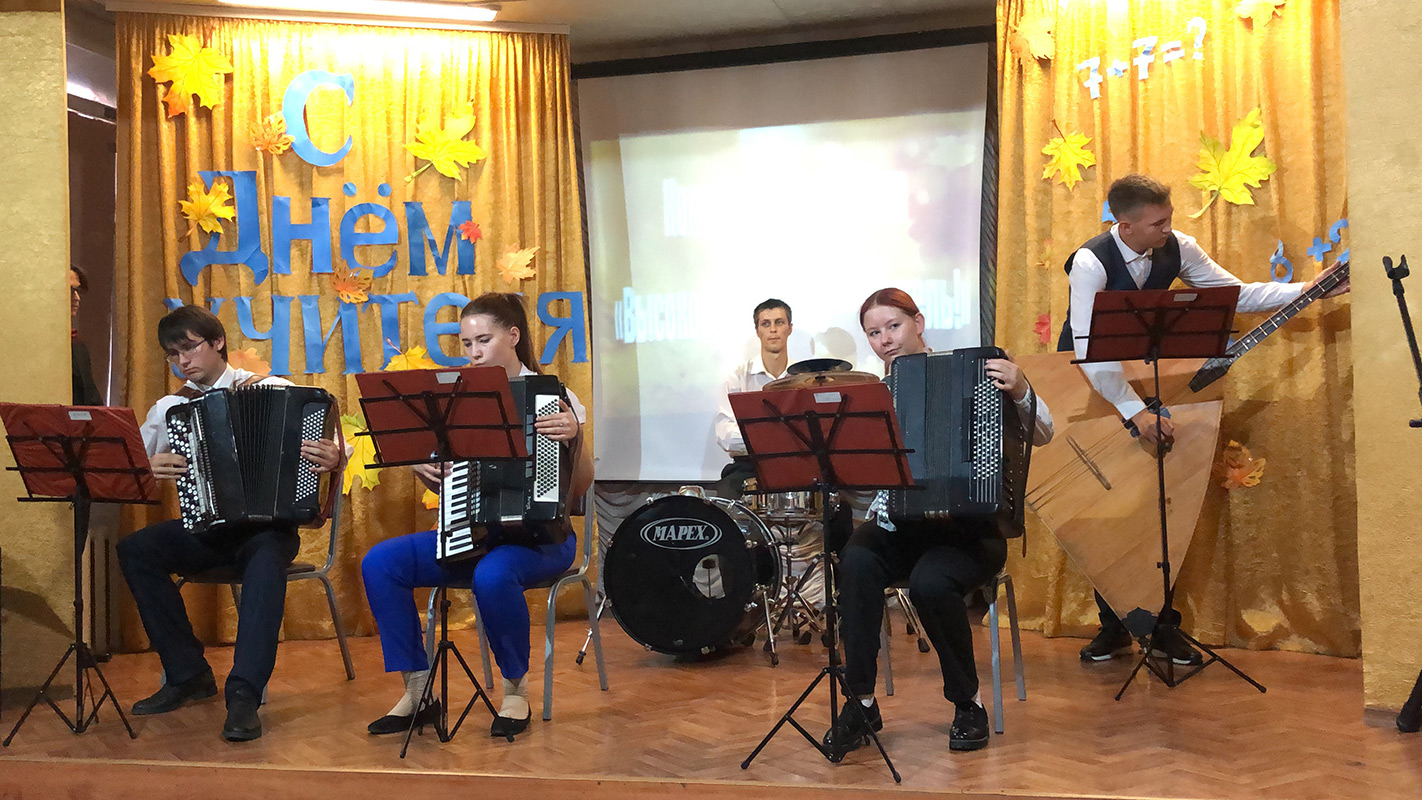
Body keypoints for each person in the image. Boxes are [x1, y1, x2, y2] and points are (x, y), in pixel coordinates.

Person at [1061, 173, 1349, 666]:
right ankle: (1114, 626)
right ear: (1125, 226)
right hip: (1089, 385)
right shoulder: (1090, 262)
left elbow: (1235, 294)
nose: (1167, 229)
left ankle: (1160, 627)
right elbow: (1090, 351)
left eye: (1168, 218)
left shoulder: (1178, 246)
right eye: (1157, 223)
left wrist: (1307, 289)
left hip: (1146, 379)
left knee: (1155, 505)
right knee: (1106, 508)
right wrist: (1134, 412)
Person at [825, 288, 1054, 754]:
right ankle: (861, 701)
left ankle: (968, 703)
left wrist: (1022, 389)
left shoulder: (977, 371)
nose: (886, 340)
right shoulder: (874, 394)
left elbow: (1044, 433)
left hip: (970, 532)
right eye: (874, 333)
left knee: (931, 583)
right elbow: (866, 484)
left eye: (894, 326)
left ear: (919, 322)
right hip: (901, 527)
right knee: (857, 561)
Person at [361, 292, 593, 738]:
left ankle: (516, 690)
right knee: (381, 563)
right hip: (470, 532)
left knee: (492, 575)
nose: (474, 353)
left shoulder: (554, 396)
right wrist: (424, 468)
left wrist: (575, 437)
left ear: (513, 336)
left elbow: (579, 487)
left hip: (542, 539)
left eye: (483, 340)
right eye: (467, 344)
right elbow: (449, 485)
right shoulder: (453, 400)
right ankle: (418, 691)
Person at [117, 305, 342, 741]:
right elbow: (128, 466)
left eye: (189, 348)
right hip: (208, 531)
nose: (182, 361)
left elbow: (334, 448)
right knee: (136, 548)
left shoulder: (274, 389)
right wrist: (147, 468)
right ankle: (187, 674)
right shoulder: (171, 408)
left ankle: (243, 695)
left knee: (264, 561)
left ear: (217, 342)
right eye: (172, 354)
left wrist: (332, 456)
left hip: (269, 530)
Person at [714, 298, 793, 496]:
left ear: (789, 329)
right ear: (758, 331)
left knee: (835, 502)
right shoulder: (738, 376)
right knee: (727, 493)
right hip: (748, 466)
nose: (773, 329)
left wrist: (757, 435)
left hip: (795, 463)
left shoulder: (802, 377)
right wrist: (776, 438)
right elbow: (725, 435)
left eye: (779, 322)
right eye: (766, 324)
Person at [69, 265, 102, 406]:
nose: (77, 298)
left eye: (78, 291)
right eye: (71, 291)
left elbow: (90, 401)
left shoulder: (77, 346)